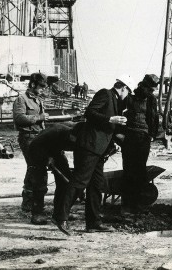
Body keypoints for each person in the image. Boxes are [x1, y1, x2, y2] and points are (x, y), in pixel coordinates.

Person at [53, 77, 130, 235]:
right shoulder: (105, 94)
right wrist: (110, 119)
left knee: (96, 185)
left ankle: (93, 222)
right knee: (79, 181)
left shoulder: (115, 101)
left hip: (98, 150)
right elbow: (90, 112)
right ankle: (60, 217)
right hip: (89, 147)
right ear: (123, 88)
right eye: (128, 91)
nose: (128, 94)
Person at [120, 74, 160, 217]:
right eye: (149, 90)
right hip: (130, 137)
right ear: (142, 86)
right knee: (129, 171)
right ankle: (126, 206)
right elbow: (120, 116)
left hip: (143, 138)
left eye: (152, 90)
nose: (150, 93)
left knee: (140, 172)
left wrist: (152, 135)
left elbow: (154, 118)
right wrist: (121, 135)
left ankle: (138, 204)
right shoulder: (129, 98)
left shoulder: (151, 100)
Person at [24, 123, 75, 227]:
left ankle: (60, 212)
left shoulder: (73, 134)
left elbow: (57, 149)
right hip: (37, 150)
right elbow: (41, 146)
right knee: (40, 182)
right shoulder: (59, 132)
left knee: (66, 179)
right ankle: (37, 213)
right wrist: (47, 158)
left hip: (54, 151)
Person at [13, 72, 48, 217]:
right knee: (35, 168)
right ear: (33, 84)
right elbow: (19, 118)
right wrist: (39, 117)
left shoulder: (37, 100)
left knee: (35, 168)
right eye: (41, 86)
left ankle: (30, 202)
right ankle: (28, 202)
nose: (42, 89)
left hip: (38, 137)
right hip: (28, 138)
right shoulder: (22, 99)